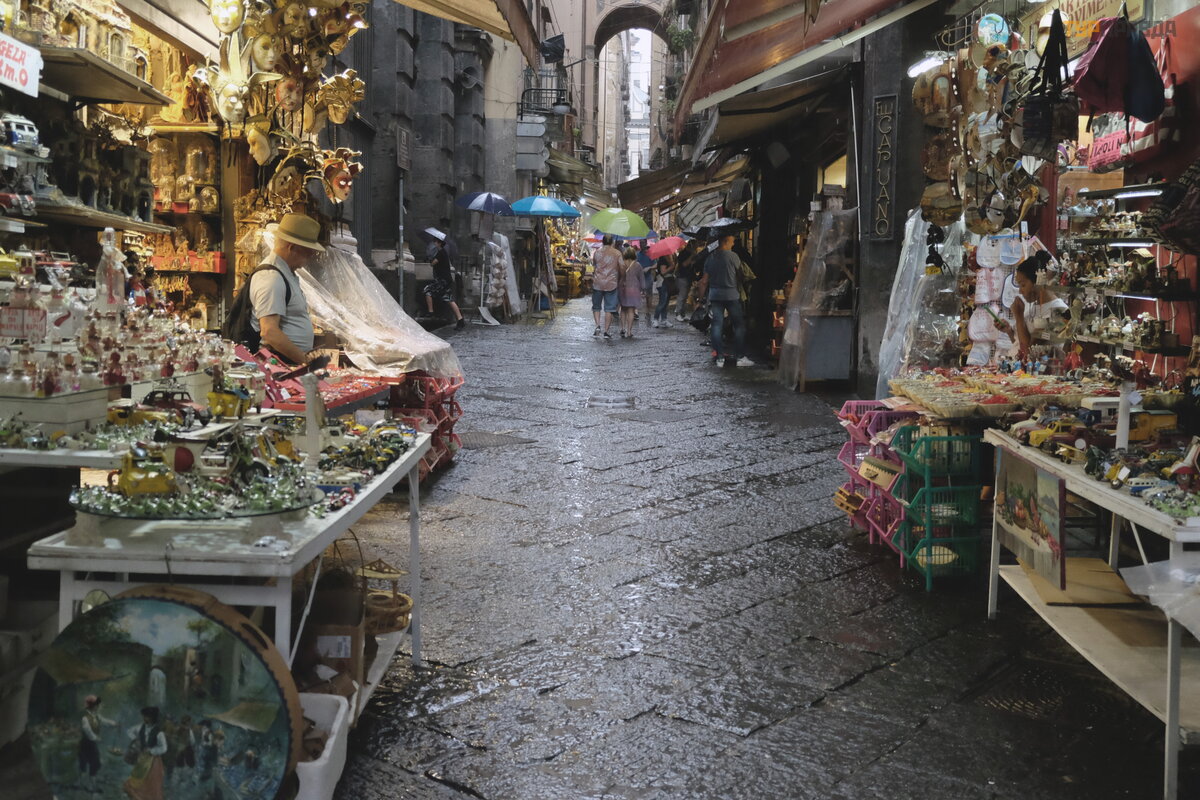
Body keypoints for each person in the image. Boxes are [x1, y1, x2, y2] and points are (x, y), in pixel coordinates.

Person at [250, 212, 322, 365]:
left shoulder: (285, 273)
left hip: (289, 362)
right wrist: (305, 361)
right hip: (280, 363)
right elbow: (269, 331)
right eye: (308, 252)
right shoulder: (271, 277)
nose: (310, 257)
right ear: (292, 248)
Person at [700, 234, 753, 367]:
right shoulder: (733, 256)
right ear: (725, 242)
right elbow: (741, 274)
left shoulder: (710, 258)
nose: (733, 244)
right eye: (732, 241)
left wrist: (700, 299)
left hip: (715, 295)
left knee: (717, 325)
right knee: (739, 325)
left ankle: (719, 358)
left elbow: (704, 281)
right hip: (731, 295)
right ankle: (739, 357)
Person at [1007, 251, 1066, 358]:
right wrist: (1009, 331)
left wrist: (1019, 317)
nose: (1020, 291)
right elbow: (1018, 344)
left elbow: (1028, 351)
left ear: (1037, 282)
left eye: (1023, 285)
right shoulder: (1033, 308)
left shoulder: (1059, 311)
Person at [124, 706, 168, 800]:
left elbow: (164, 748)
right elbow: (129, 731)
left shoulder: (159, 732)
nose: (144, 718)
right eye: (144, 716)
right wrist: (136, 739)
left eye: (147, 716)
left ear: (153, 718)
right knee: (137, 776)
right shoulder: (141, 727)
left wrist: (151, 751)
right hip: (142, 758)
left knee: (150, 781)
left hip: (153, 760)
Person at [424, 236, 465, 329]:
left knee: (427, 290)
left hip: (443, 280)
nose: (434, 244)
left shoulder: (441, 253)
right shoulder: (442, 252)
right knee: (449, 299)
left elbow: (433, 263)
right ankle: (460, 320)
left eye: (435, 242)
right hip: (445, 280)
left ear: (439, 243)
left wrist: (429, 259)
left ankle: (430, 312)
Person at [79, 695, 116, 792]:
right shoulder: (85, 718)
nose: (99, 707)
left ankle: (91, 784)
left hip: (92, 744)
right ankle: (88, 785)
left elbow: (104, 721)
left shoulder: (96, 716)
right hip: (86, 744)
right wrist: (96, 738)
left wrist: (114, 723)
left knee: (94, 763)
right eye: (98, 705)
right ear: (94, 706)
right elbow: (87, 730)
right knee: (89, 763)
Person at [591, 235, 621, 339]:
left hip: (598, 282)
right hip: (611, 283)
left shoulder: (597, 252)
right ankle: (606, 331)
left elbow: (594, 265)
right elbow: (621, 266)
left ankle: (597, 326)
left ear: (603, 242)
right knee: (609, 308)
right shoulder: (617, 253)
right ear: (612, 242)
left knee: (596, 306)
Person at [618, 247, 644, 339]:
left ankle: (622, 328)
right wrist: (643, 289)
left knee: (623, 309)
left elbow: (618, 276)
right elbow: (641, 279)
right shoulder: (638, 265)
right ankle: (629, 331)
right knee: (631, 311)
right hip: (634, 289)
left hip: (622, 289)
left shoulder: (622, 264)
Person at [674, 242, 698, 321]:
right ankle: (678, 313)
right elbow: (684, 264)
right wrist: (692, 256)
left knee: (684, 297)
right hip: (682, 277)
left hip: (688, 277)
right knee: (682, 296)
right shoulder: (684, 254)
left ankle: (682, 314)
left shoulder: (688, 253)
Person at [652, 254, 675, 328]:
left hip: (668, 283)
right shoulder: (663, 260)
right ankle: (655, 319)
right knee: (662, 302)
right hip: (663, 282)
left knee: (666, 302)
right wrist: (671, 266)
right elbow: (663, 272)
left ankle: (664, 319)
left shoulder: (668, 259)